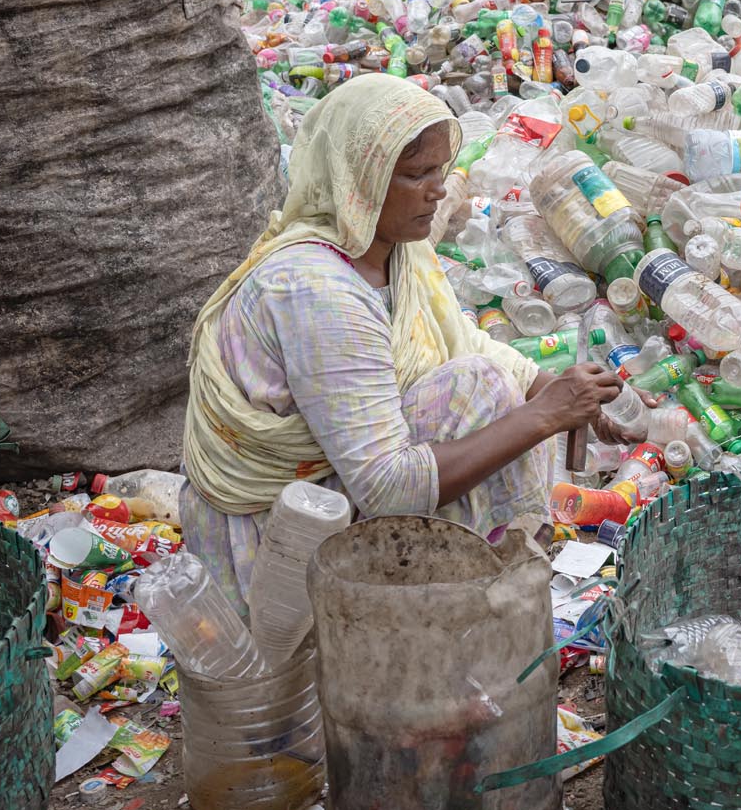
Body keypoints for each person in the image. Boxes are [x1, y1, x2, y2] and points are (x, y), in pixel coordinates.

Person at [179, 73, 623, 614]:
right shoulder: (316, 292)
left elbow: (462, 340)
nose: (438, 190)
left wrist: (553, 388)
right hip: (281, 539)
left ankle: (478, 592)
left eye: (439, 170)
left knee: (487, 383)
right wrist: (544, 416)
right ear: (356, 180)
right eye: (416, 175)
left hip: (334, 491)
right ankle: (438, 608)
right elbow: (386, 486)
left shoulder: (393, 246)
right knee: (482, 391)